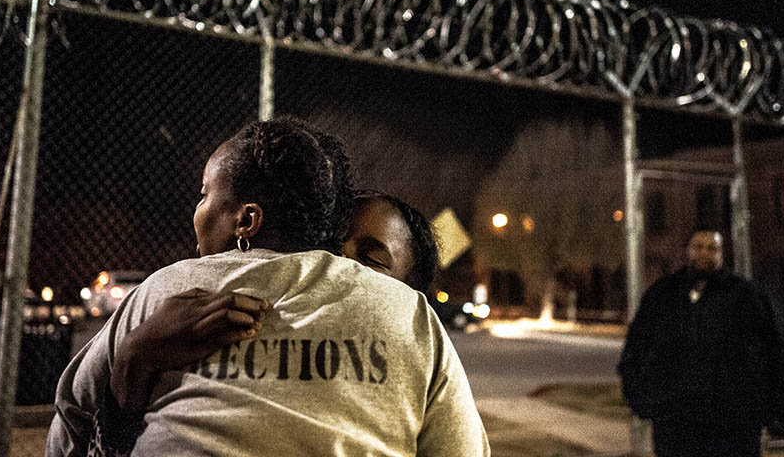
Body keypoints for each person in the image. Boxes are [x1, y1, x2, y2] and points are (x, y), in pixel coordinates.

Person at [46, 118, 488, 456]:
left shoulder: (166, 290)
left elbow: (70, 430)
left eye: (203, 195)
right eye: (339, 246)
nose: (346, 265)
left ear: (247, 219)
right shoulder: (410, 317)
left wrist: (132, 362)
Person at [87, 189, 441, 456]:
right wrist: (136, 354)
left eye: (370, 259)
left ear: (409, 292)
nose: (340, 263)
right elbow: (77, 422)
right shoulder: (184, 301)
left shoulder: (416, 328)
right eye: (328, 247)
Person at [618, 230, 784, 457]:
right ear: (688, 250)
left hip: (734, 423)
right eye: (698, 247)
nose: (704, 253)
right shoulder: (664, 295)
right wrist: (641, 399)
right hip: (676, 423)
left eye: (712, 248)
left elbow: (773, 350)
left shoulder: (745, 295)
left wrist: (770, 408)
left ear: (721, 254)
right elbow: (636, 348)